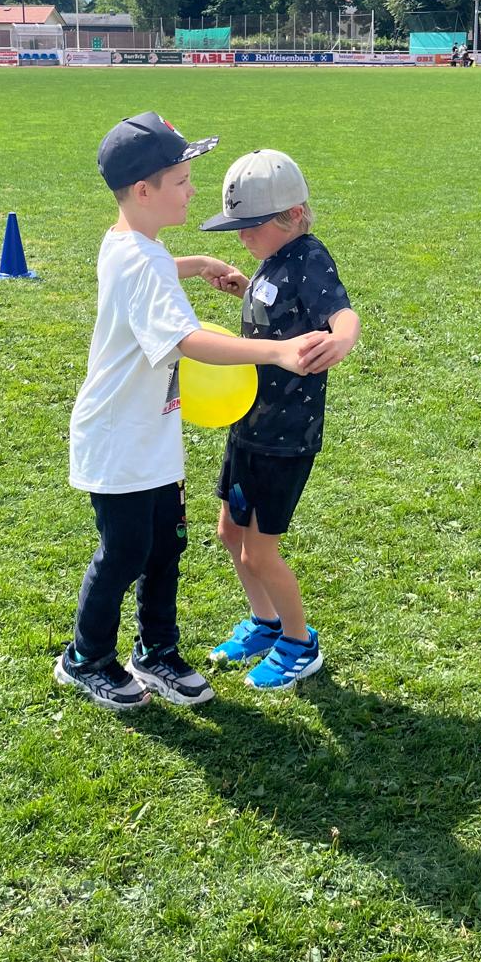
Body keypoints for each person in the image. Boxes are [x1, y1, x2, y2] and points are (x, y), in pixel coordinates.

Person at [56, 112, 317, 713]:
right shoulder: (139, 261)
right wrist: (277, 351)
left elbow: (147, 271)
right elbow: (189, 342)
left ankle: (156, 652)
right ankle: (86, 658)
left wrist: (195, 264)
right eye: (181, 181)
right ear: (143, 190)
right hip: (119, 439)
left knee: (166, 547)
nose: (193, 190)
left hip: (152, 435)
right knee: (125, 552)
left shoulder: (131, 243)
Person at [200, 149, 360, 690]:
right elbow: (281, 308)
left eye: (252, 226)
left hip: (285, 436)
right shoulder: (272, 258)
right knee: (229, 531)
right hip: (247, 423)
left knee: (259, 550)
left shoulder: (310, 257)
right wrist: (246, 287)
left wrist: (342, 340)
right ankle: (265, 623)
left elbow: (341, 313)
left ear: (291, 215)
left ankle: (298, 642)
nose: (244, 237)